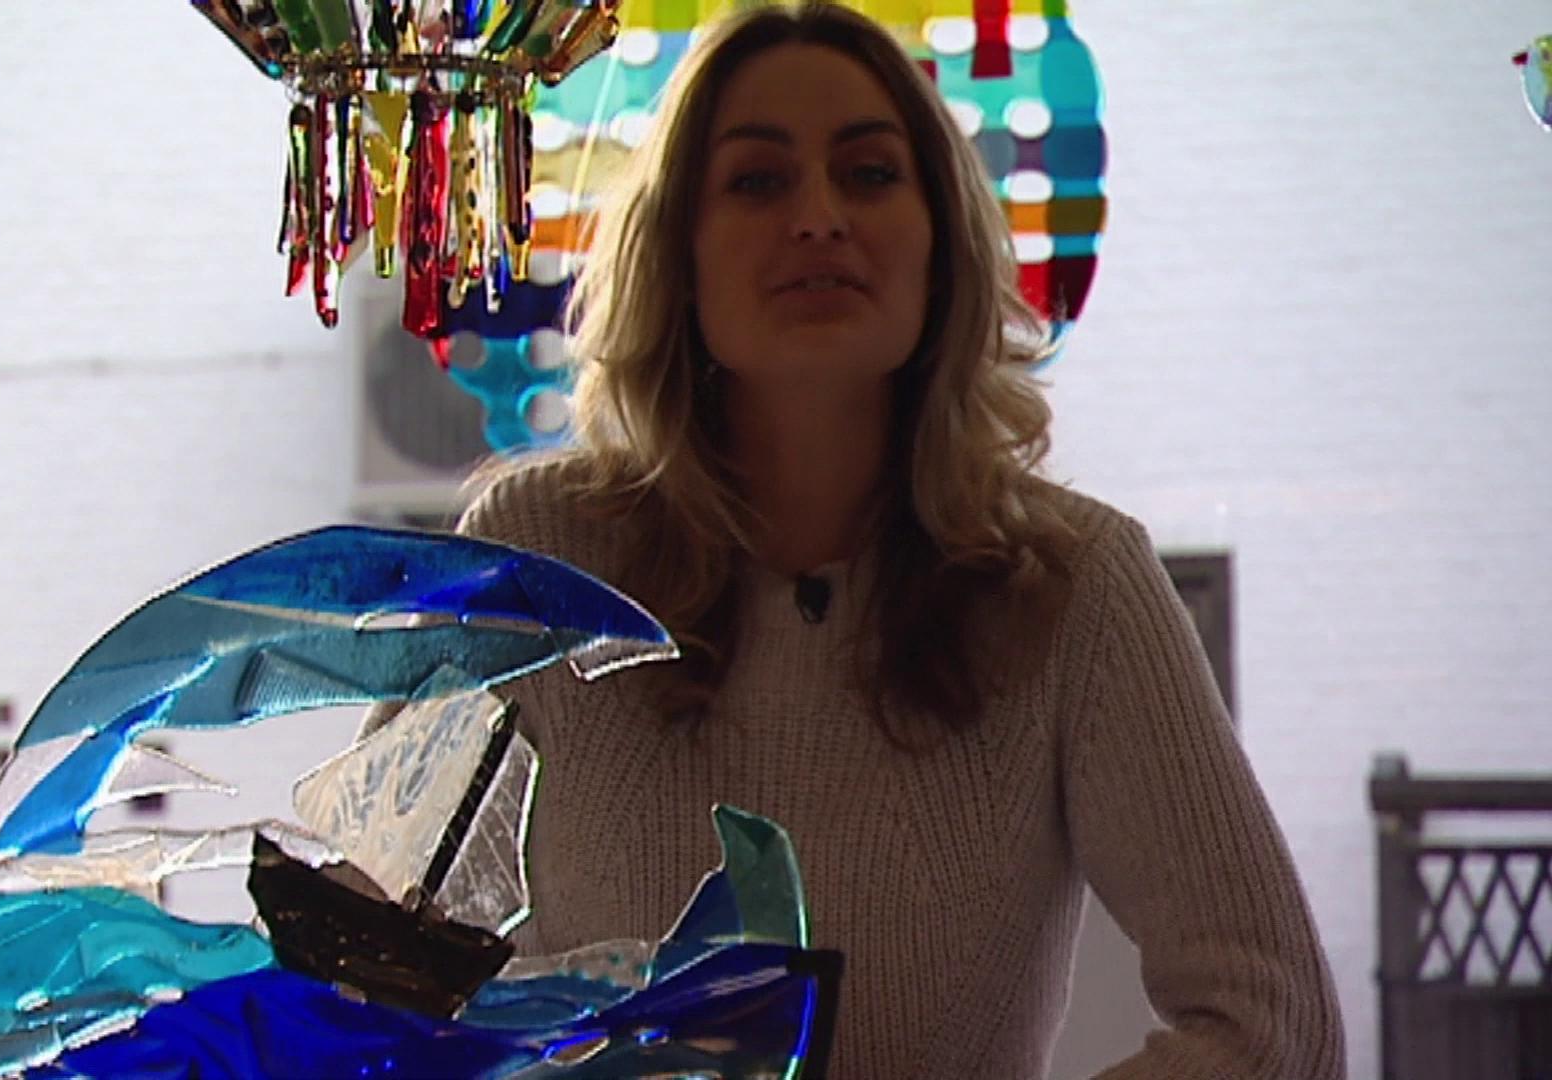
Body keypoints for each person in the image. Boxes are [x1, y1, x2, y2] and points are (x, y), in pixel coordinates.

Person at [364, 4, 1345, 1075]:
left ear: (941, 243)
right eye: (757, 181)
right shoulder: (532, 559)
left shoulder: (1076, 587)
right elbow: (361, 968)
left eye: (870, 174)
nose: (819, 218)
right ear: (680, 254)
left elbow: (1274, 1027)